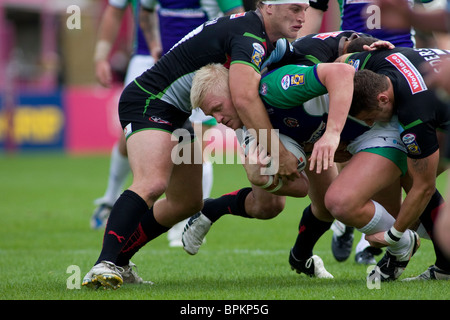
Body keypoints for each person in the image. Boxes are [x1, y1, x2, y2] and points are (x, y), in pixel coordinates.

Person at [82, 0, 312, 290]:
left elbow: (312, 48)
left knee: (187, 202)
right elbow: (243, 98)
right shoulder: (249, 36)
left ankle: (121, 262)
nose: (302, 16)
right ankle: (103, 264)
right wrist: (278, 152)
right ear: (267, 7)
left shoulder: (263, 37)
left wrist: (353, 46)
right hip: (148, 101)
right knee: (152, 183)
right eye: (295, 8)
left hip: (178, 113)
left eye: (305, 9)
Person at [182, 57, 417, 281]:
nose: (218, 119)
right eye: (211, 115)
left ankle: (300, 256)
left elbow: (338, 64)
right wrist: (267, 175)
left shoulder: (275, 86)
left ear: (234, 90)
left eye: (217, 108)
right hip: (303, 137)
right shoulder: (249, 131)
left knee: (329, 206)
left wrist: (332, 135)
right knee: (267, 206)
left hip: (337, 131)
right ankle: (212, 209)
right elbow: (299, 188)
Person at [297, 0, 433, 265]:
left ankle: (368, 229)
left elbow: (428, 16)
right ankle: (357, 222)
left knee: (412, 169)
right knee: (353, 149)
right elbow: (311, 22)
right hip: (355, 66)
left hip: (401, 69)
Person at [138, 0, 245, 247]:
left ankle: (190, 220)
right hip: (170, 74)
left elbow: (240, 22)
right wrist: (155, 46)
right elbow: (145, 13)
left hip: (204, 77)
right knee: (177, 150)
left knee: (195, 148)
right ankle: (183, 215)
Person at [338, 46, 450, 280]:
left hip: (433, 104)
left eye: (370, 117)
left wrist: (393, 236)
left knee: (419, 183)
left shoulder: (415, 115)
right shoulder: (379, 58)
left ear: (382, 98)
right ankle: (446, 268)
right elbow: (342, 61)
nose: (370, 124)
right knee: (412, 175)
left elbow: (424, 187)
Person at [91, 0, 161, 230]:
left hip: (192, 55)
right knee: (130, 133)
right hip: (145, 58)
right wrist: (101, 56)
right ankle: (110, 199)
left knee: (193, 135)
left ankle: (186, 214)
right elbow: (114, 11)